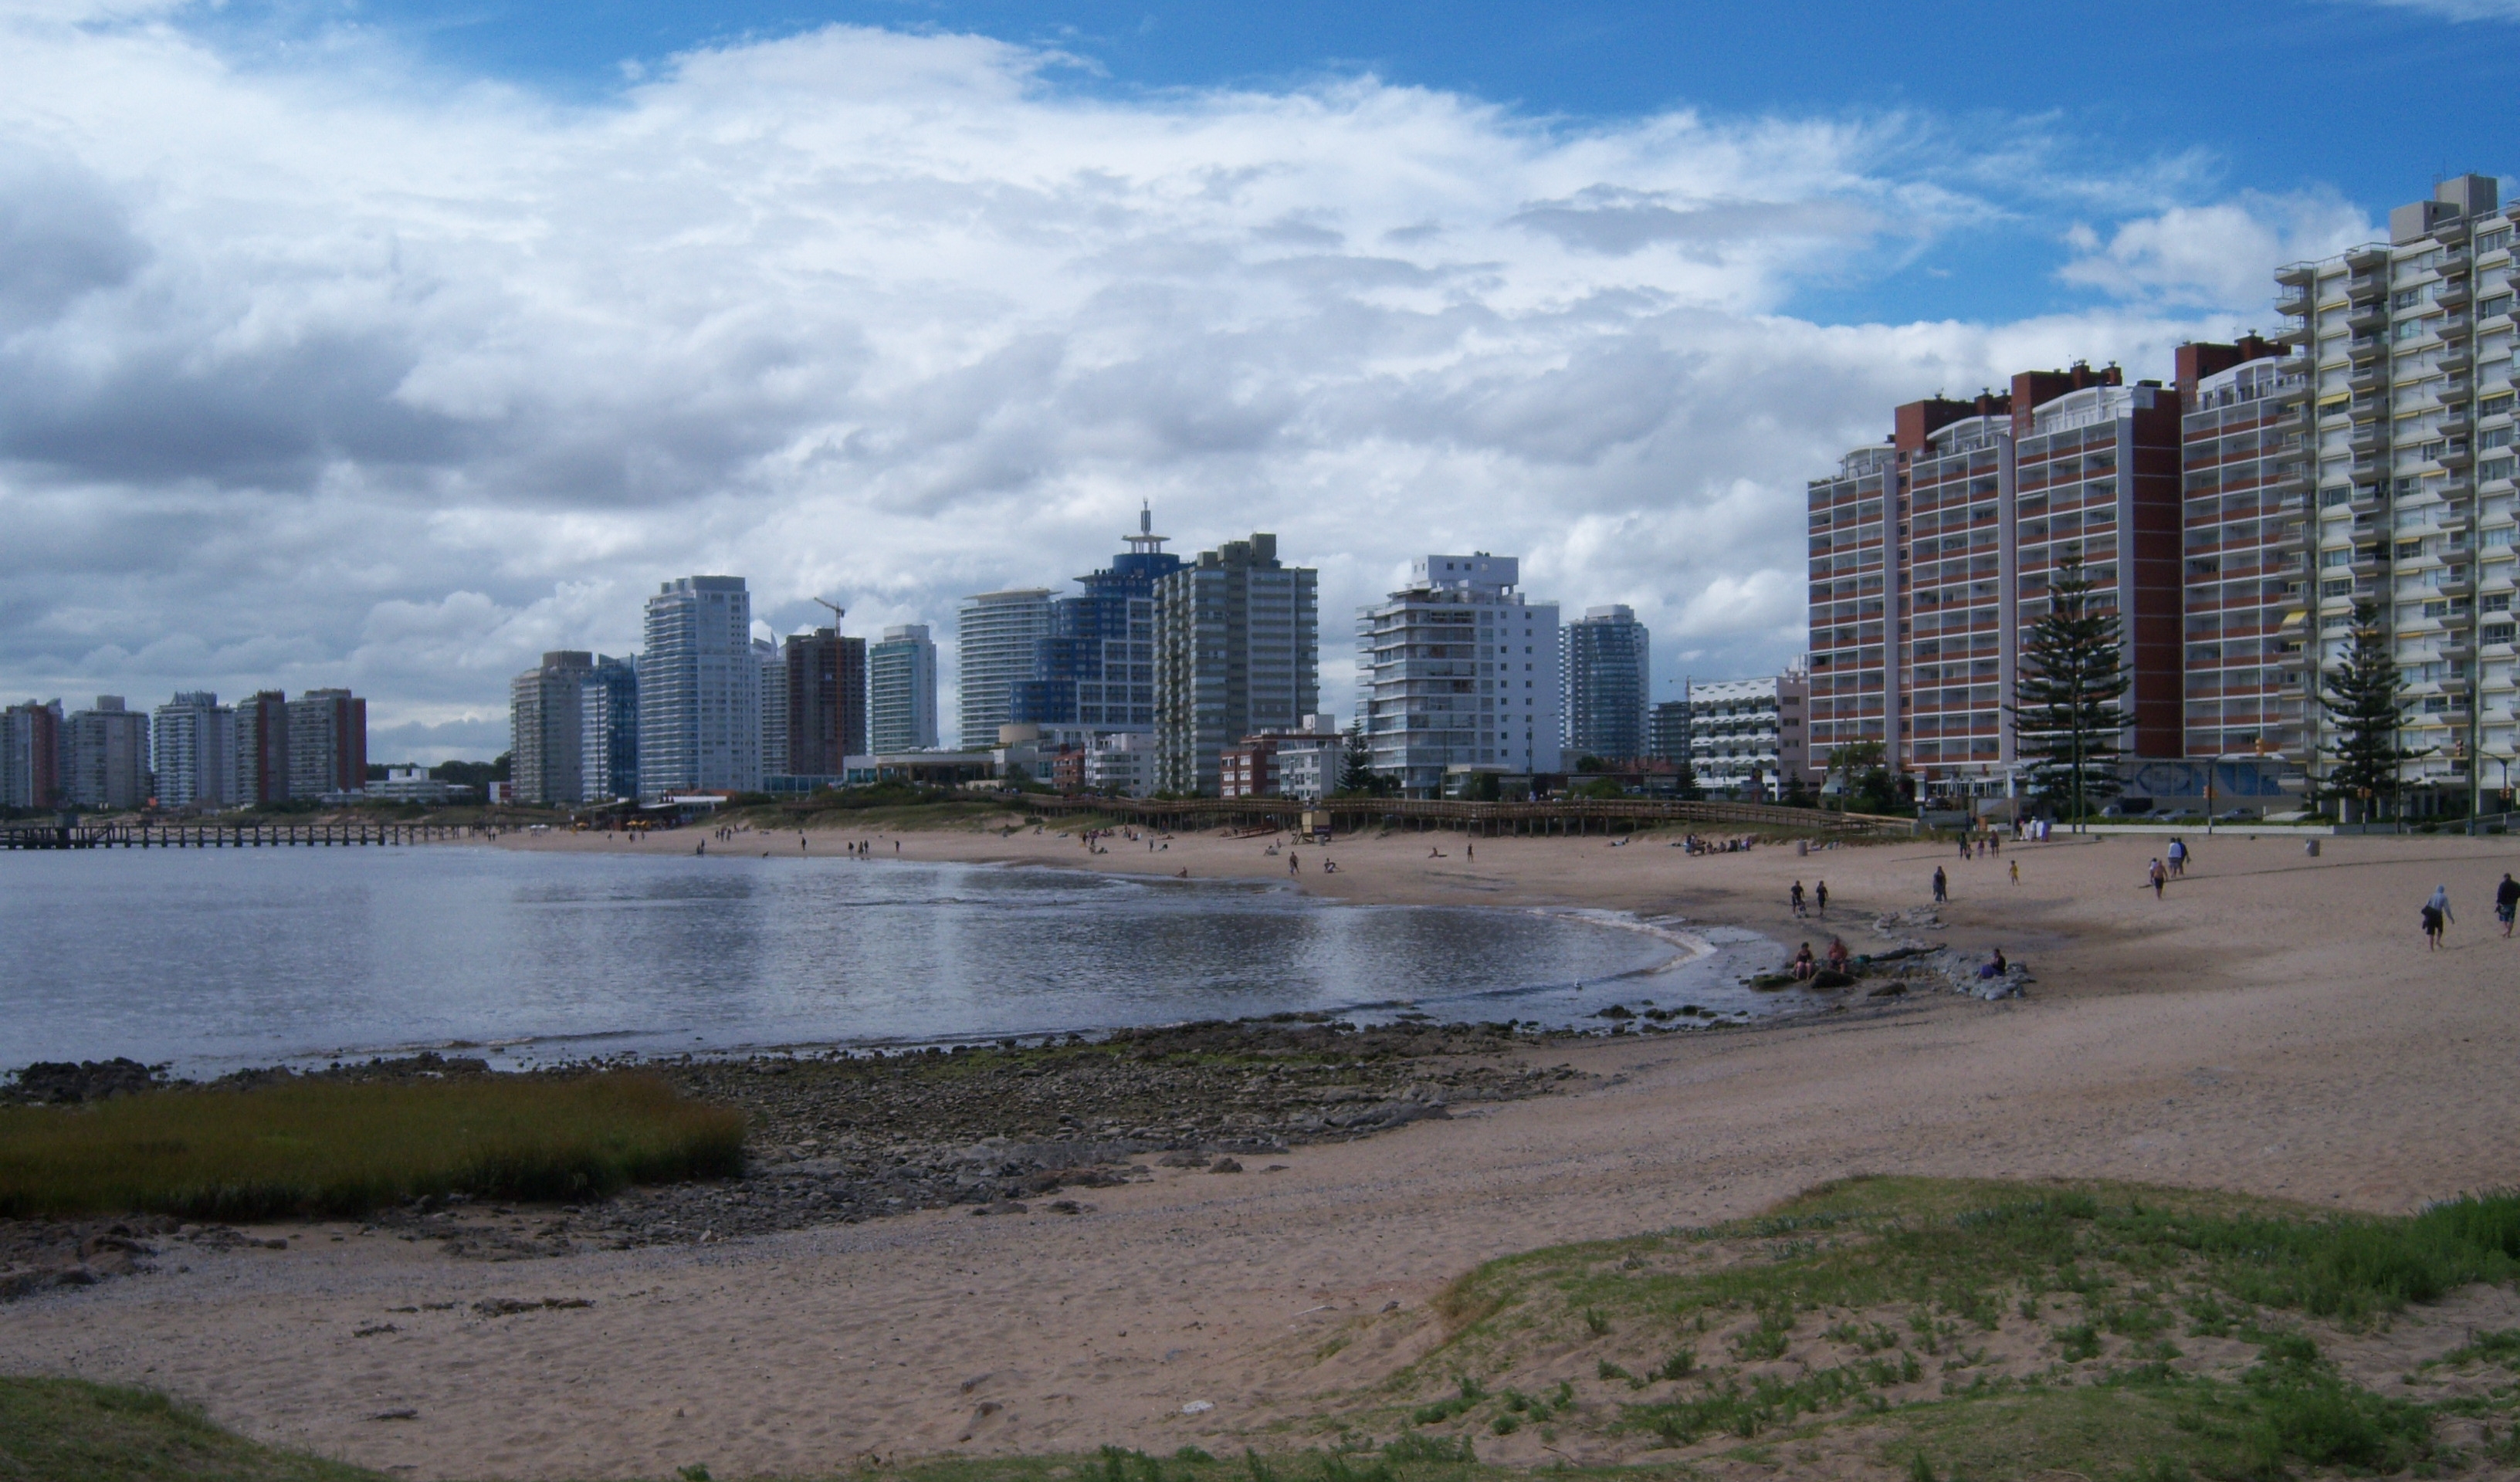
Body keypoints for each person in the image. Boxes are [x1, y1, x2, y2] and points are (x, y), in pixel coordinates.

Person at [2424, 885, 2453, 950]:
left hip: (2430, 913)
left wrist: (2426, 916)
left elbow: (2427, 905)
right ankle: (2438, 941)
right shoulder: (2444, 897)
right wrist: (2450, 917)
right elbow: (2447, 908)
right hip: (2438, 914)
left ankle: (2431, 947)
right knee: (2440, 928)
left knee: (2431, 931)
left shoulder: (2432, 896)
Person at [2498, 873, 2519, 939]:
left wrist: (2498, 902)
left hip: (2504, 904)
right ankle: (2508, 934)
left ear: (2505, 878)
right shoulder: (2516, 884)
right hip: (2513, 903)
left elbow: (2500, 894)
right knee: (2511, 919)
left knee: (2505, 918)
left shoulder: (2502, 885)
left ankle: (2506, 930)